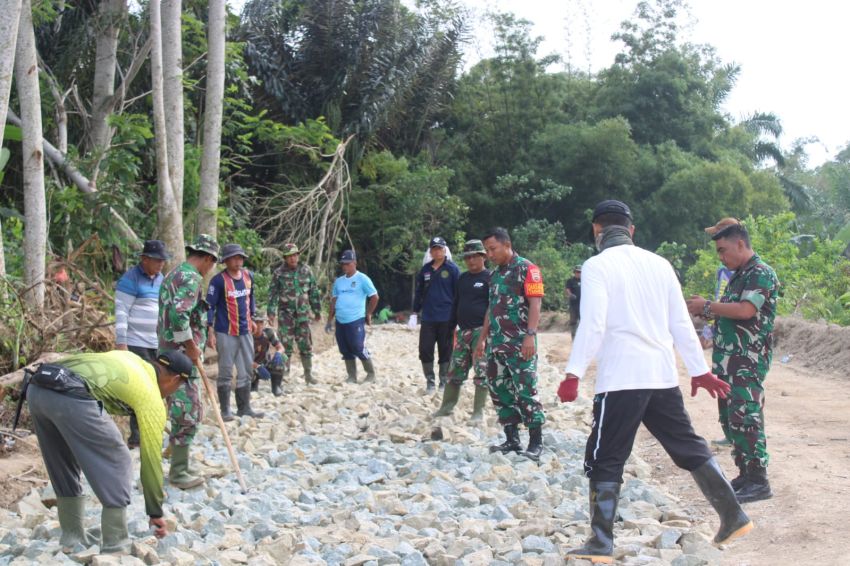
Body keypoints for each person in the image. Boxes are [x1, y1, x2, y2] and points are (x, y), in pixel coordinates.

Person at [558, 200, 752, 563]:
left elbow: (594, 323)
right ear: (631, 231)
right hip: (660, 376)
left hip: (621, 379)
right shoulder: (660, 264)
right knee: (686, 445)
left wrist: (573, 372)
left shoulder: (597, 266)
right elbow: (680, 321)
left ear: (597, 232)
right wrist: (698, 370)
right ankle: (733, 515)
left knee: (605, 455)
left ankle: (600, 542)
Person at [26, 349, 193, 553]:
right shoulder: (151, 396)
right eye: (178, 387)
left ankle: (72, 536)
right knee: (119, 459)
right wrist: (155, 512)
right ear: (175, 379)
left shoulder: (130, 359)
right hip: (71, 394)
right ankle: (116, 542)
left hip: (37, 389)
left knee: (61, 460)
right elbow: (151, 461)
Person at [686, 221, 779, 504]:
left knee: (746, 417)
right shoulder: (738, 276)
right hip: (728, 362)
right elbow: (728, 313)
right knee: (730, 418)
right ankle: (745, 474)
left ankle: (759, 480)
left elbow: (745, 310)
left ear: (740, 243)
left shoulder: (760, 273)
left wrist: (707, 306)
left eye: (723, 250)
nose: (721, 257)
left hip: (747, 360)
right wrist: (707, 322)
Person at [474, 227, 546, 462]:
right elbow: (491, 308)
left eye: (492, 249)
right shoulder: (495, 275)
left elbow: (535, 304)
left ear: (507, 245)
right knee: (499, 389)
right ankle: (512, 439)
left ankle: (536, 442)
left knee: (526, 390)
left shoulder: (528, 269)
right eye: (487, 250)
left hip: (519, 343)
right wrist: (482, 338)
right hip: (497, 344)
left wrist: (530, 335)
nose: (489, 254)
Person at [158, 234, 220, 490]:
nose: (210, 270)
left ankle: (179, 459)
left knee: (183, 408)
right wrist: (192, 347)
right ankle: (179, 472)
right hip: (181, 358)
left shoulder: (173, 273)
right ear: (207, 259)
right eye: (212, 264)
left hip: (170, 354)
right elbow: (178, 314)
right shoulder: (191, 278)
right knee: (189, 412)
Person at [114, 239, 170, 448]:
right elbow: (121, 312)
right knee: (142, 388)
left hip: (157, 342)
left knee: (156, 387)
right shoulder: (130, 279)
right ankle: (137, 436)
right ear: (144, 259)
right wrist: (122, 343)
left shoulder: (161, 279)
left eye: (163, 261)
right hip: (136, 343)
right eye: (157, 260)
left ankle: (151, 430)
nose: (161, 264)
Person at [433, 239, 491, 422]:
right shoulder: (462, 279)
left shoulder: (490, 278)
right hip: (463, 331)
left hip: (481, 332)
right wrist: (451, 329)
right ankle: (446, 408)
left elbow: (493, 307)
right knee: (454, 372)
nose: (471, 261)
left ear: (483, 257)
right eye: (467, 258)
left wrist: (485, 335)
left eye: (475, 257)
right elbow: (455, 304)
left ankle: (478, 412)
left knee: (481, 373)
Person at [207, 243, 263, 421]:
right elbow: (210, 306)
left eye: (240, 258)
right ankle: (225, 411)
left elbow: (251, 297)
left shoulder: (248, 277)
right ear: (226, 261)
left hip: (246, 331)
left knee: (245, 369)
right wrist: (209, 329)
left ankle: (244, 408)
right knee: (225, 370)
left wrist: (253, 317)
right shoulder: (218, 281)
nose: (238, 261)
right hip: (225, 332)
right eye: (234, 258)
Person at [267, 243, 322, 384]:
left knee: (305, 344)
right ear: (285, 258)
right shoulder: (278, 273)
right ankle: (284, 374)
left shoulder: (306, 270)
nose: (293, 258)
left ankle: (308, 374)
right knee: (285, 344)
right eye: (289, 256)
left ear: (298, 255)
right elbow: (273, 294)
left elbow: (313, 291)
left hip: (303, 315)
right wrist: (271, 312)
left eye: (295, 255)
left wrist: (317, 310)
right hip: (286, 315)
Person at [413, 236, 460, 392]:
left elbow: (458, 294)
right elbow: (419, 292)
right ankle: (430, 381)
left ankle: (443, 381)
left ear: (444, 250)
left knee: (446, 350)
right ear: (430, 251)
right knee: (425, 349)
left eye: (440, 248)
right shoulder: (425, 270)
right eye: (434, 248)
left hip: (447, 317)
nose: (437, 251)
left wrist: (459, 316)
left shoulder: (453, 269)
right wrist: (414, 312)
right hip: (428, 317)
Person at [327, 250, 379, 384]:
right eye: (343, 264)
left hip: (355, 319)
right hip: (340, 320)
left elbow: (374, 297)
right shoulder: (338, 282)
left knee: (357, 346)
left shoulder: (362, 279)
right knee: (344, 348)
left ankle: (371, 374)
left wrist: (368, 313)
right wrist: (329, 320)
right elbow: (333, 300)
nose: (345, 266)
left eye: (347, 263)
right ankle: (352, 376)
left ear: (354, 263)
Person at [251, 312, 287, 396]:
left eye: (261, 322)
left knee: (281, 359)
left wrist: (278, 353)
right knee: (246, 371)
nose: (259, 325)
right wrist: (257, 366)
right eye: (256, 322)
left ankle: (276, 386)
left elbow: (281, 347)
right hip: (250, 365)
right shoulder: (246, 336)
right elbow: (242, 358)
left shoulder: (268, 333)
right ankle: (253, 385)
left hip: (265, 363)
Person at [564, 265, 582, 340]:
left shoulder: (585, 280)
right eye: (577, 272)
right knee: (573, 321)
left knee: (583, 321)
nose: (578, 273)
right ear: (574, 272)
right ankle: (574, 337)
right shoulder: (570, 281)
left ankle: (582, 338)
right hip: (574, 305)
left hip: (583, 305)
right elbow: (567, 289)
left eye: (580, 272)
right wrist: (570, 294)